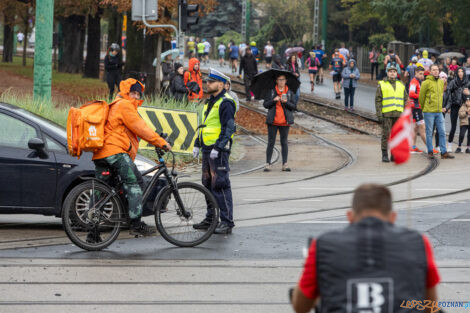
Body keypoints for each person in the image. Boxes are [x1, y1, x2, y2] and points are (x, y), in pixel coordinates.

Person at [292, 184, 440, 313]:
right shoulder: (418, 242)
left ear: (350, 216)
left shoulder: (322, 244)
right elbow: (431, 305)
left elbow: (300, 307)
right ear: (393, 217)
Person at [93, 78, 171, 238]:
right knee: (135, 183)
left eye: (138, 94)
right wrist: (162, 143)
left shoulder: (116, 104)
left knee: (103, 191)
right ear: (126, 92)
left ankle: (92, 232)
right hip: (115, 152)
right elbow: (141, 128)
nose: (135, 96)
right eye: (133, 93)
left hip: (102, 153)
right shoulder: (124, 105)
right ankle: (135, 223)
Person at [192, 69, 237, 235]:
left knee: (221, 184)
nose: (207, 84)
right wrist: (198, 143)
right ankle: (211, 218)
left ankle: (227, 222)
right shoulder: (210, 101)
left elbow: (229, 128)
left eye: (211, 82)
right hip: (207, 148)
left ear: (221, 84)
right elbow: (205, 125)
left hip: (218, 151)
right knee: (207, 184)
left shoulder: (226, 102)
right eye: (207, 81)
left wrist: (218, 147)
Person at [419, 64, 454, 159]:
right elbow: (421, 97)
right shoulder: (426, 83)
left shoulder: (441, 82)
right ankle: (430, 151)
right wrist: (424, 108)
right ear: (430, 71)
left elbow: (441, 96)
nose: (435, 71)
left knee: (442, 132)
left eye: (437, 70)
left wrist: (441, 107)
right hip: (429, 111)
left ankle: (443, 152)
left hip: (439, 111)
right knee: (429, 132)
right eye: (433, 70)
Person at [263, 73, 296, 172]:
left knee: (284, 142)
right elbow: (265, 104)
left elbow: (294, 106)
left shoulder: (289, 92)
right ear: (276, 81)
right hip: (273, 121)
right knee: (271, 142)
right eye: (279, 80)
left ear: (286, 81)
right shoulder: (272, 92)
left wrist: (286, 102)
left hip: (285, 122)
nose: (281, 81)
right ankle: (268, 164)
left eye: (283, 80)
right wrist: (274, 100)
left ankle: (284, 164)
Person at [375, 65, 407, 162]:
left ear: (397, 73)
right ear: (387, 73)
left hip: (398, 115)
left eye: (394, 71)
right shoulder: (382, 84)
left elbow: (405, 100)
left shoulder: (401, 84)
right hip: (387, 115)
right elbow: (378, 100)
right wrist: (379, 114)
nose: (392, 73)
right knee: (386, 135)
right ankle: (384, 154)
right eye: (390, 71)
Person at [446, 67, 470, 151]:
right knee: (453, 127)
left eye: (462, 71)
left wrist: (468, 94)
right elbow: (448, 93)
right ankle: (449, 145)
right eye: (459, 71)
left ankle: (460, 146)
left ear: (464, 73)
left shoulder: (467, 82)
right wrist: (448, 106)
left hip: (464, 106)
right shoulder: (453, 82)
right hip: (454, 106)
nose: (460, 73)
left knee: (463, 127)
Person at [409, 66, 427, 153]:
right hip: (416, 108)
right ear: (415, 73)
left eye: (423, 74)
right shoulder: (414, 82)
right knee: (422, 127)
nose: (422, 75)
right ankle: (430, 147)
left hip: (417, 108)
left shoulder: (419, 81)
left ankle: (413, 146)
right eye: (420, 74)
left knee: (415, 128)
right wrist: (421, 96)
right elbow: (411, 93)